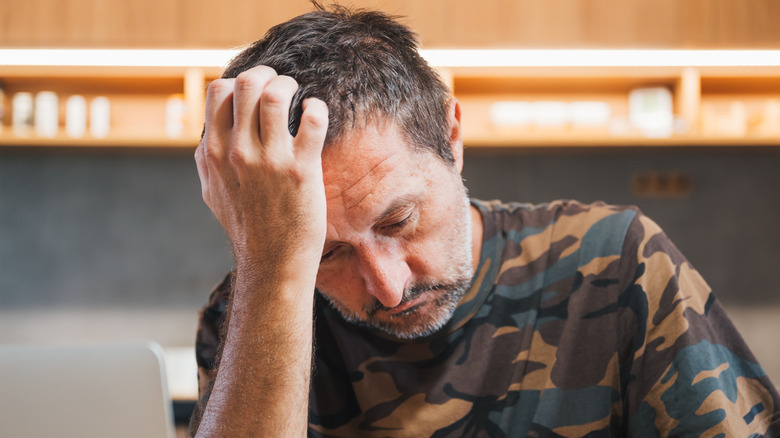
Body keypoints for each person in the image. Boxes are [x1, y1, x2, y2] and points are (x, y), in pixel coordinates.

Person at [190, 3, 780, 436]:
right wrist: (271, 266)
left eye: (398, 221)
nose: (388, 287)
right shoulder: (251, 311)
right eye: (327, 252)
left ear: (451, 137)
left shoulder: (617, 263)